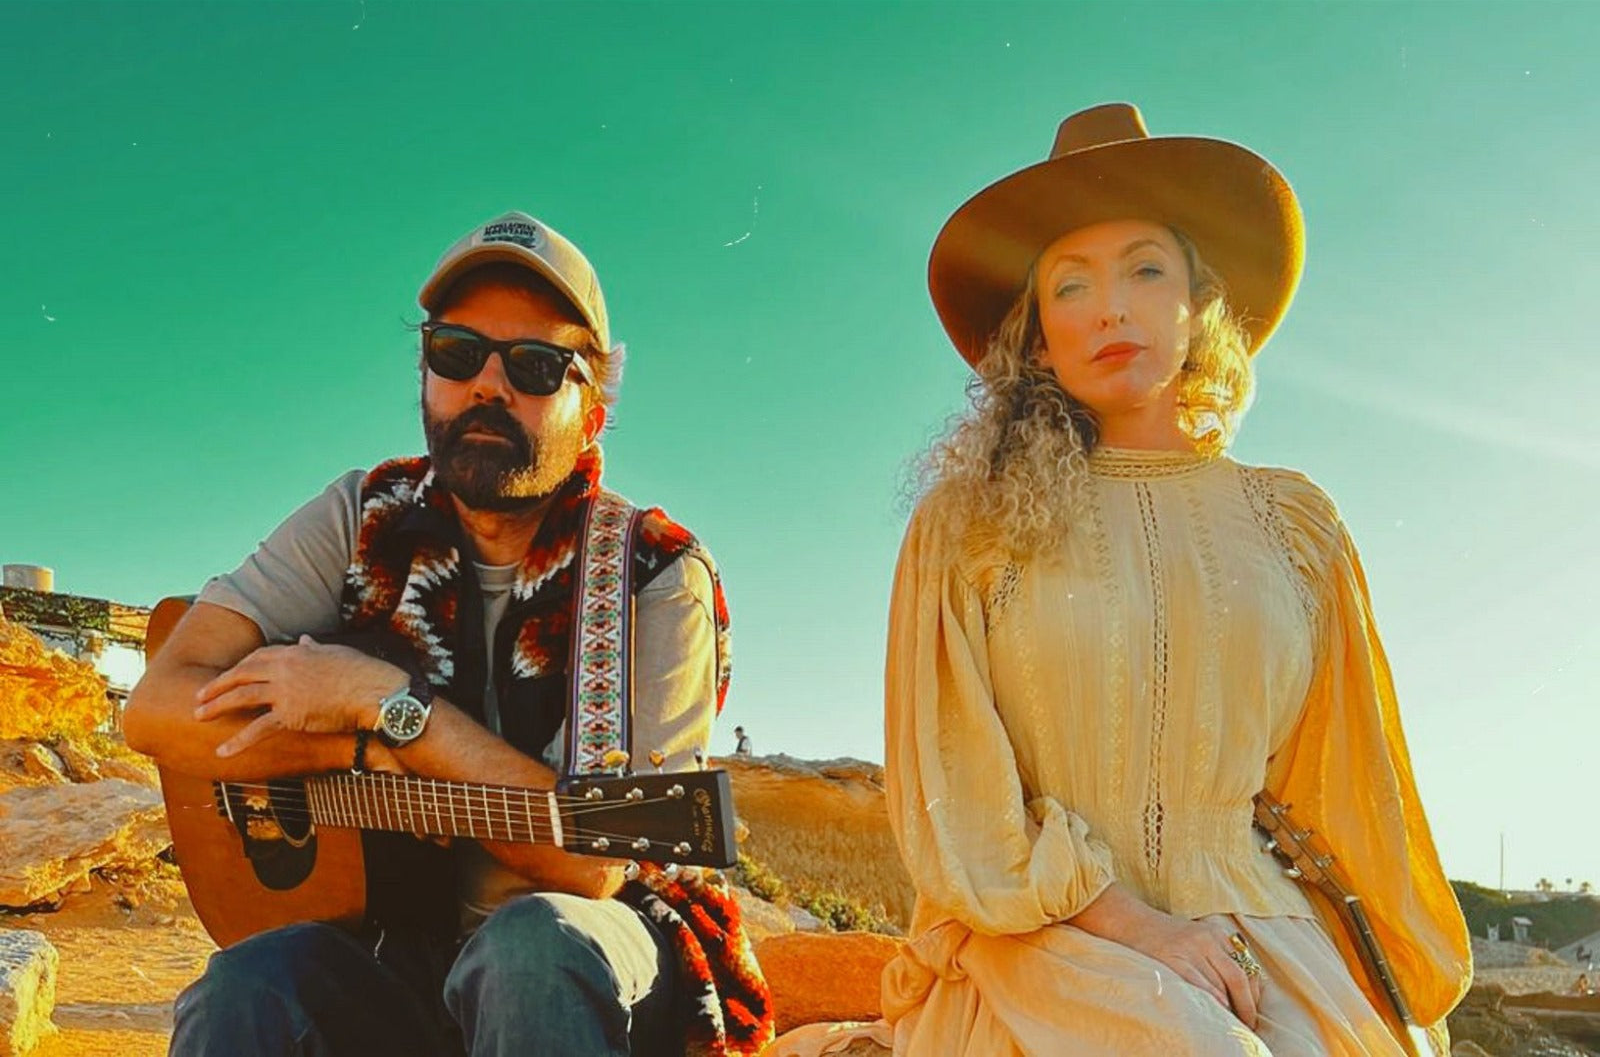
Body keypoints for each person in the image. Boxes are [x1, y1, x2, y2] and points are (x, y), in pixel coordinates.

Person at [773, 104, 1471, 1056]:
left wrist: (1400, 994)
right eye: (1071, 284)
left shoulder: (1296, 525)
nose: (1110, 307)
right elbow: (958, 794)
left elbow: (1350, 784)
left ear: (1198, 305)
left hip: (1262, 939)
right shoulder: (966, 522)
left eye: (1146, 269)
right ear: (1038, 333)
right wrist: (1142, 933)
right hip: (1045, 946)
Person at [123, 211, 771, 1057]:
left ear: (592, 414)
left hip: (594, 955)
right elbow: (158, 711)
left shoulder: (649, 573)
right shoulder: (361, 515)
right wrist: (348, 751)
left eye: (536, 367)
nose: (486, 388)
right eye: (456, 354)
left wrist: (392, 708)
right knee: (246, 989)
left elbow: (590, 866)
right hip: (395, 943)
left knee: (530, 949)